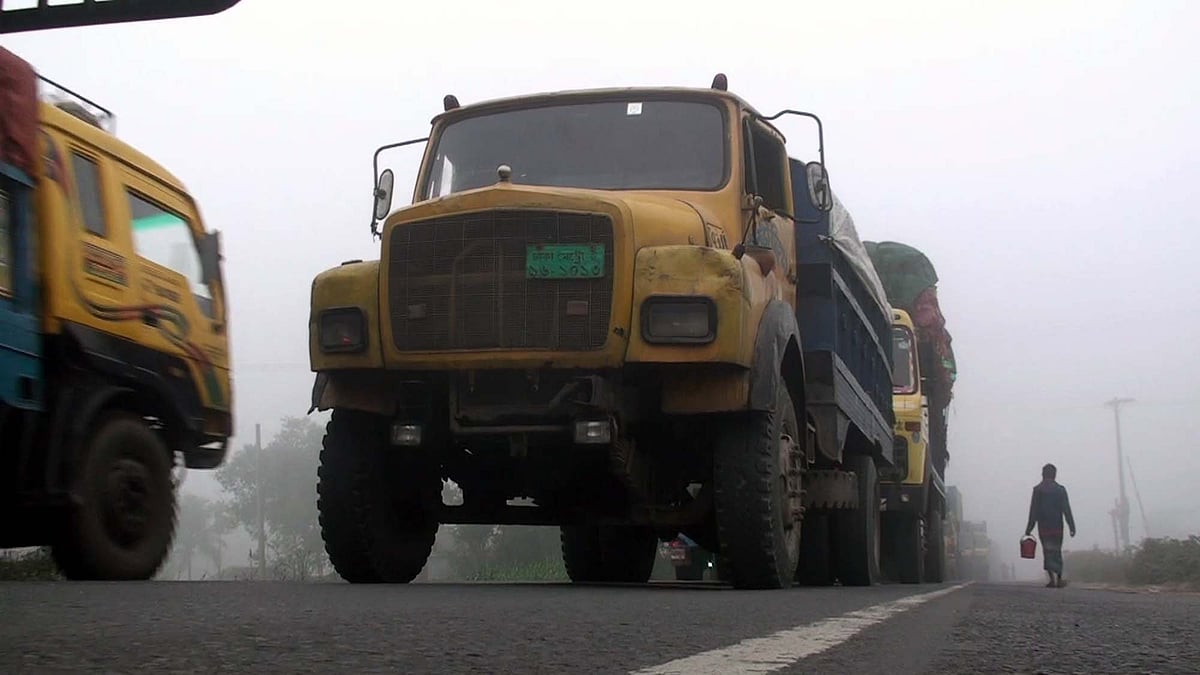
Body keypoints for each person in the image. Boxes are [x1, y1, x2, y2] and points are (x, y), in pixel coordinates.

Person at [1025, 463, 1076, 588]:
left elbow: (1034, 511)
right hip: (1057, 527)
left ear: (1043, 474)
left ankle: (1052, 579)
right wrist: (1071, 526)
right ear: (1055, 475)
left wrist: (1029, 529)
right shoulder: (1060, 490)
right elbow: (1066, 509)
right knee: (1057, 551)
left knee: (1047, 551)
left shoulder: (1037, 490)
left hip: (1044, 527)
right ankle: (1059, 578)